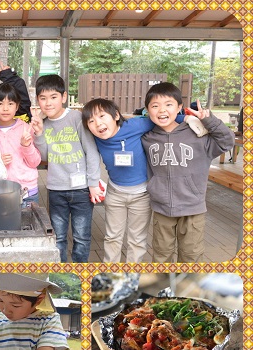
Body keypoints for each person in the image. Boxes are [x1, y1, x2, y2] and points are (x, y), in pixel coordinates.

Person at [82, 98, 207, 263]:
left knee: (137, 239)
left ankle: (133, 274)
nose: (98, 124)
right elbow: (88, 156)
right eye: (91, 121)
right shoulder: (94, 137)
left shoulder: (136, 126)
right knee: (112, 236)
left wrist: (186, 118)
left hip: (142, 194)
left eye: (102, 116)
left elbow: (160, 117)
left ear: (116, 116)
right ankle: (110, 273)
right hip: (115, 193)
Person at [141, 82, 235, 263]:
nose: (162, 110)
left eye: (168, 104)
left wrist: (209, 121)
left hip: (193, 208)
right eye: (155, 105)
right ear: (147, 110)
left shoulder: (198, 135)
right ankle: (163, 289)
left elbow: (227, 141)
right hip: (162, 209)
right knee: (161, 256)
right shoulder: (147, 138)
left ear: (179, 108)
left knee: (191, 257)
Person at [31, 74, 102, 263]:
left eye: (53, 97)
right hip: (56, 189)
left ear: (63, 97)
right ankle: (62, 274)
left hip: (82, 189)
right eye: (43, 98)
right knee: (58, 237)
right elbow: (45, 157)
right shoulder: (43, 124)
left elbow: (92, 152)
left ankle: (79, 273)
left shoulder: (77, 118)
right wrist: (38, 134)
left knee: (81, 237)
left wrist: (93, 183)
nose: (48, 103)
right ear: (38, 100)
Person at [0, 83, 42, 207]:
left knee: (27, 226)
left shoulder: (26, 128)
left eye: (10, 104)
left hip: (27, 192)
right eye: (0, 103)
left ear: (17, 106)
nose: (5, 108)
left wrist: (26, 146)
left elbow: (35, 162)